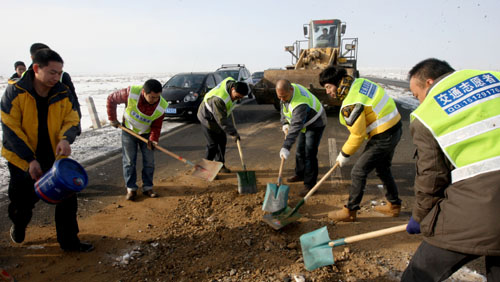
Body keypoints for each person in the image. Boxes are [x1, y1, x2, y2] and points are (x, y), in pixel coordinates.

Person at [401, 58, 500, 281]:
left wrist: (421, 217)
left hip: (482, 206)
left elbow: (432, 178)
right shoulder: (494, 79)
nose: (418, 102)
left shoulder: (427, 114)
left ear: (429, 82)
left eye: (417, 96)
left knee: (419, 275)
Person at [1, 49, 93, 252]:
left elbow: (72, 118)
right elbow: (10, 129)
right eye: (52, 72)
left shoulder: (62, 92)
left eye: (59, 72)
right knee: (22, 203)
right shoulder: (15, 92)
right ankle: (19, 224)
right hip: (21, 160)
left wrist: (65, 138)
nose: (56, 77)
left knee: (68, 198)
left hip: (54, 156)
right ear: (36, 69)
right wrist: (29, 160)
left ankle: (69, 242)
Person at [319, 66, 403, 222]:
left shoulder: (351, 102)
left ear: (338, 83)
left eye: (328, 87)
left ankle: (350, 211)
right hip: (395, 126)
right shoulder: (360, 83)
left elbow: (358, 134)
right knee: (383, 168)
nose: (327, 92)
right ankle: (394, 205)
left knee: (358, 171)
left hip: (384, 134)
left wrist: (344, 154)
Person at [107, 79, 168, 201]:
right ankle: (131, 189)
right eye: (152, 97)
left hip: (146, 135)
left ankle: (148, 188)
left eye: (157, 97)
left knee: (149, 162)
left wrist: (153, 139)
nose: (155, 100)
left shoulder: (161, 106)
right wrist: (112, 118)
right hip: (128, 131)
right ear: (143, 92)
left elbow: (156, 126)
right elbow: (111, 99)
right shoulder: (131, 93)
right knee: (129, 161)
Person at [276, 79, 327, 197]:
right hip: (305, 123)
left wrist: (286, 147)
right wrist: (284, 123)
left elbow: (295, 126)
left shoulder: (300, 103)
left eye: (284, 96)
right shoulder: (285, 92)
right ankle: (300, 174)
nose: (282, 99)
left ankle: (310, 185)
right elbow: (284, 109)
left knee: (309, 153)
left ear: (291, 90)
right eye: (279, 96)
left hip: (315, 123)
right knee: (300, 151)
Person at [197, 77, 249, 173]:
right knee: (213, 144)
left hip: (218, 114)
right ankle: (204, 170)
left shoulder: (234, 85)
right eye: (237, 97)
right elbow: (222, 120)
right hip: (207, 117)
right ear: (233, 89)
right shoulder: (219, 99)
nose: (237, 100)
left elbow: (222, 117)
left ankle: (220, 165)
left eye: (240, 98)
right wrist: (233, 133)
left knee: (222, 140)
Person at [28, 43, 82, 135]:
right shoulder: (20, 86)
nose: (56, 78)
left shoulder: (62, 77)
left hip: (56, 128)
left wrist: (75, 124)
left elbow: (73, 100)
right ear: (32, 58)